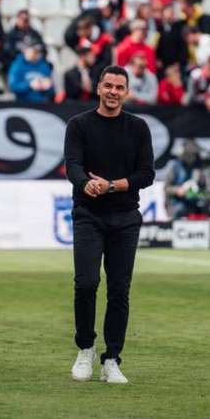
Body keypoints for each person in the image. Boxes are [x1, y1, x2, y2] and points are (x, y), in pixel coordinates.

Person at [64, 64, 155, 385]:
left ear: (127, 92)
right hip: (88, 215)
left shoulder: (139, 128)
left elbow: (147, 174)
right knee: (86, 283)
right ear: (99, 88)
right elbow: (72, 164)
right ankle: (85, 349)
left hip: (126, 217)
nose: (113, 92)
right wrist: (86, 184)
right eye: (108, 86)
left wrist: (112, 185)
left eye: (120, 87)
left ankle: (112, 359)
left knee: (119, 290)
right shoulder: (79, 125)